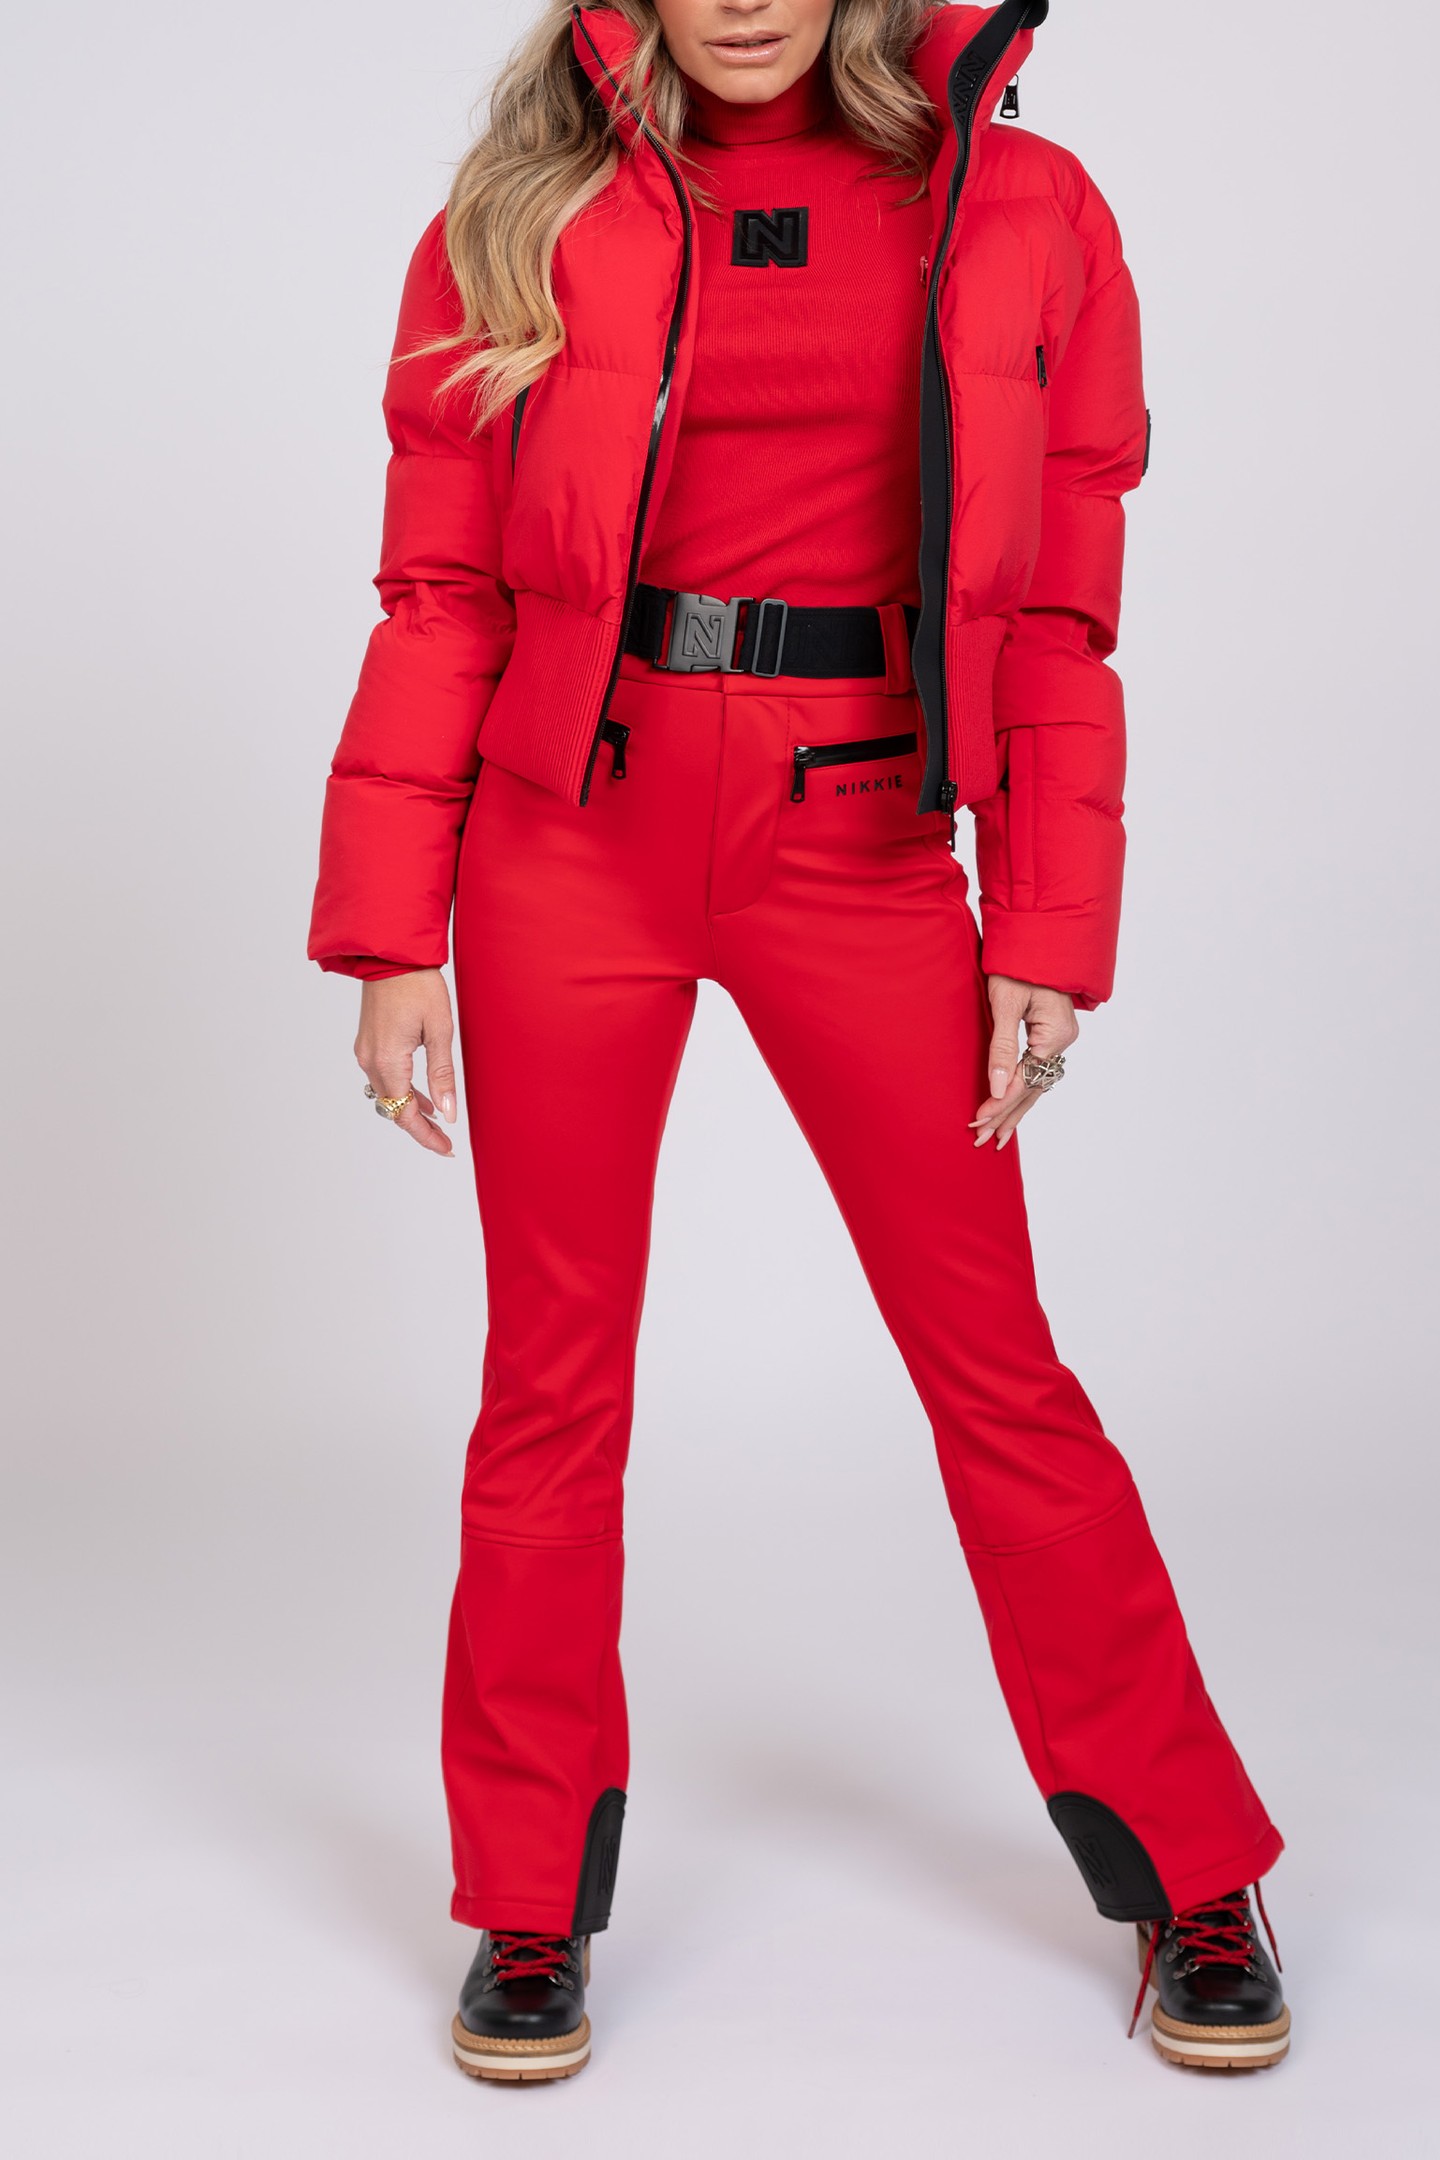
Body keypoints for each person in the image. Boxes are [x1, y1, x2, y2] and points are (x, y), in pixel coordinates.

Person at [307, 0, 1290, 2083]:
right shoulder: (526, 205)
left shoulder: (1020, 208)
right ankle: (526, 1896)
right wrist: (393, 928)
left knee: (995, 1366)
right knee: (549, 1381)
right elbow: (441, 586)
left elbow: (1059, 609)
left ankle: (1191, 1863)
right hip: (566, 835)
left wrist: (1045, 922)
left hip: (859, 830)